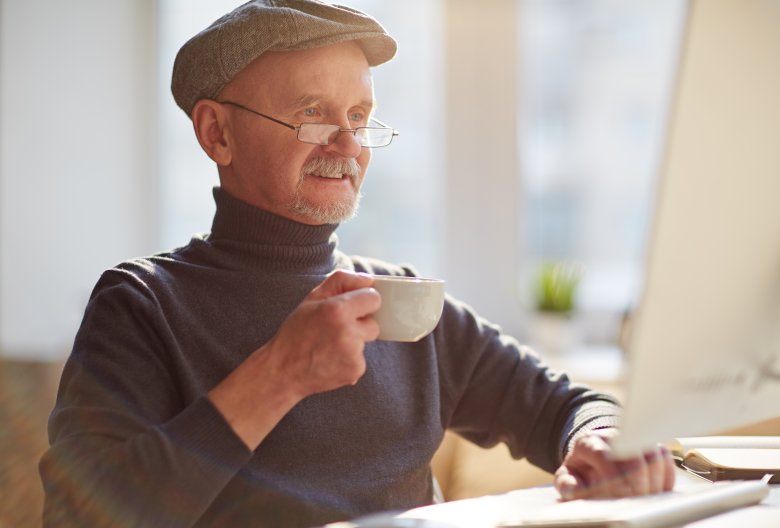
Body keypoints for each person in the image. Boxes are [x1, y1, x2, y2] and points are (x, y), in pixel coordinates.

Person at [39, 1, 675, 527]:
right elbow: (78, 516)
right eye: (312, 113)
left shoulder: (399, 298)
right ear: (217, 134)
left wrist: (600, 436)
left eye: (360, 117)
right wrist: (278, 375)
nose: (347, 144)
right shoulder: (143, 304)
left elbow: (565, 404)